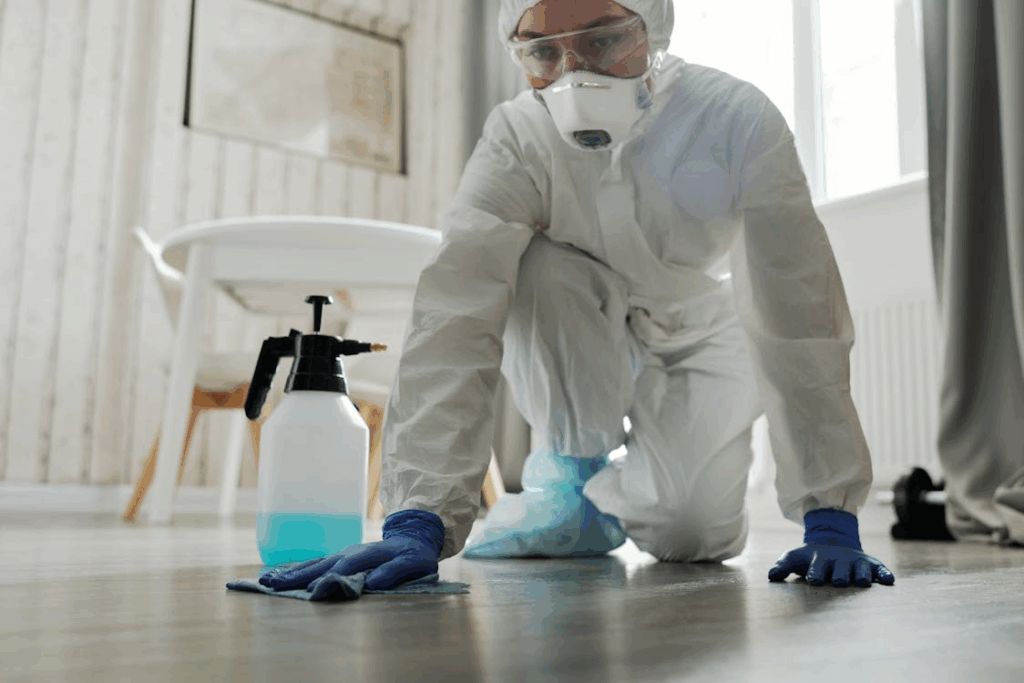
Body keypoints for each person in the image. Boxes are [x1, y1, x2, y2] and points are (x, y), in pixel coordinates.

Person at [259, 0, 896, 594]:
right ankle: (574, 472)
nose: (574, 73)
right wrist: (419, 514)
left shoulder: (733, 119)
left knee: (692, 535)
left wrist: (828, 509)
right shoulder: (516, 139)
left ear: (653, 26)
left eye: (603, 40)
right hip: (578, 314)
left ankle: (621, 491)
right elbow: (456, 308)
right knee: (529, 264)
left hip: (699, 326)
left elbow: (795, 300)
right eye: (543, 52)